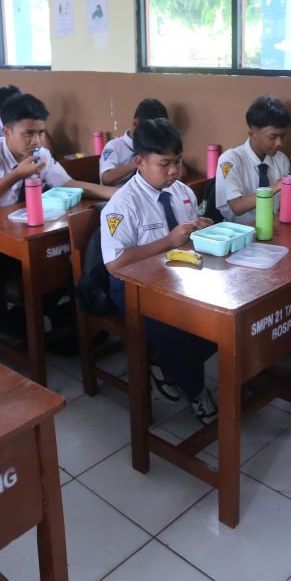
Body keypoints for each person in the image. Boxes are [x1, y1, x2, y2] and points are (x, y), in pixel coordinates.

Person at [0, 93, 114, 318]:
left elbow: (69, 184)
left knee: (61, 264)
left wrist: (118, 194)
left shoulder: (41, 155)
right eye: (28, 134)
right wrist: (16, 174)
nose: (37, 141)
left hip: (21, 234)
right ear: (7, 132)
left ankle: (33, 320)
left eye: (40, 132)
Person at [100, 118, 219, 423]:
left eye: (177, 162)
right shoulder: (121, 205)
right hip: (132, 285)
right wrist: (169, 241)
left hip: (176, 275)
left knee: (218, 320)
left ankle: (165, 361)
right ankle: (196, 391)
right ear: (139, 162)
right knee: (178, 331)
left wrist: (201, 229)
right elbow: (115, 265)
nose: (174, 171)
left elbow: (188, 239)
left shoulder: (182, 192)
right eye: (164, 164)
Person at [214, 96, 291, 224]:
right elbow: (237, 207)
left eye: (283, 136)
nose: (279, 143)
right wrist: (277, 186)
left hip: (274, 227)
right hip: (240, 232)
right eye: (273, 137)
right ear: (252, 133)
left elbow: (286, 199)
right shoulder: (230, 160)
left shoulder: (282, 159)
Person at [99, 98, 168, 186]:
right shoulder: (114, 146)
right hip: (115, 194)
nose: (151, 137)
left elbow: (180, 173)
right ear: (135, 123)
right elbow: (106, 178)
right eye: (148, 132)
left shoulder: (154, 145)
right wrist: (138, 163)